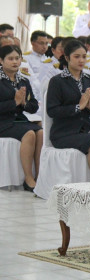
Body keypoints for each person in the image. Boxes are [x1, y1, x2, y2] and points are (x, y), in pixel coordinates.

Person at [46, 40, 90, 181]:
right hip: (63, 131)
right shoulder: (57, 81)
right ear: (67, 58)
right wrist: (79, 106)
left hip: (84, 128)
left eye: (84, 56)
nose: (81, 60)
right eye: (77, 57)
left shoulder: (89, 79)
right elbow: (52, 111)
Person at [0, 45, 42, 191]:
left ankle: (39, 176)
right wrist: (14, 103)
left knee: (41, 132)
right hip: (3, 122)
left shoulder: (23, 80)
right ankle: (28, 178)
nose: (15, 62)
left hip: (19, 120)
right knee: (29, 134)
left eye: (17, 58)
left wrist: (23, 103)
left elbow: (34, 106)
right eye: (10, 59)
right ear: (1, 60)